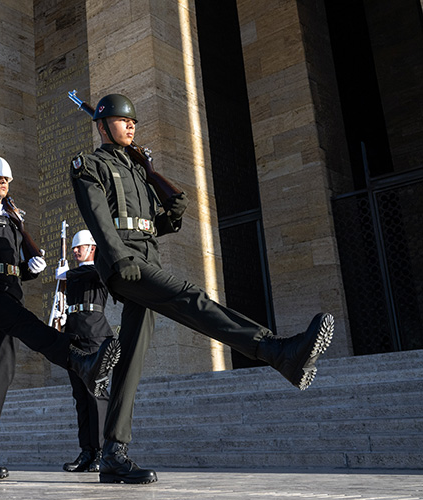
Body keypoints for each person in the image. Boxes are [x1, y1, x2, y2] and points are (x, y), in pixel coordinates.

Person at [70, 93, 335, 484]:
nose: (131, 126)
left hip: (147, 259)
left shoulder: (140, 168)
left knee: (131, 361)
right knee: (190, 298)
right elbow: (98, 217)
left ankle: (113, 453)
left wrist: (170, 216)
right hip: (124, 264)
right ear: (103, 125)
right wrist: (117, 255)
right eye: (123, 121)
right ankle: (275, 350)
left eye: (134, 122)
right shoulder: (89, 164)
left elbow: (148, 225)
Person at [0, 155, 122, 480]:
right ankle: (77, 359)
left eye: (6, 180)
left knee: (1, 375)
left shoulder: (13, 221)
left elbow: (17, 266)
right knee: (30, 326)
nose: (3, 184)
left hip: (9, 293)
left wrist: (31, 269)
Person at [54, 230, 115, 473]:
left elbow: (96, 273)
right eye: (74, 248)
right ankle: (87, 451)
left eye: (79, 247)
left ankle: (102, 450)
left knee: (96, 394)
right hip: (74, 335)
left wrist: (68, 274)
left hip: (95, 335)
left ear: (92, 248)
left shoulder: (96, 268)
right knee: (80, 397)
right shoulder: (73, 276)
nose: (75, 251)